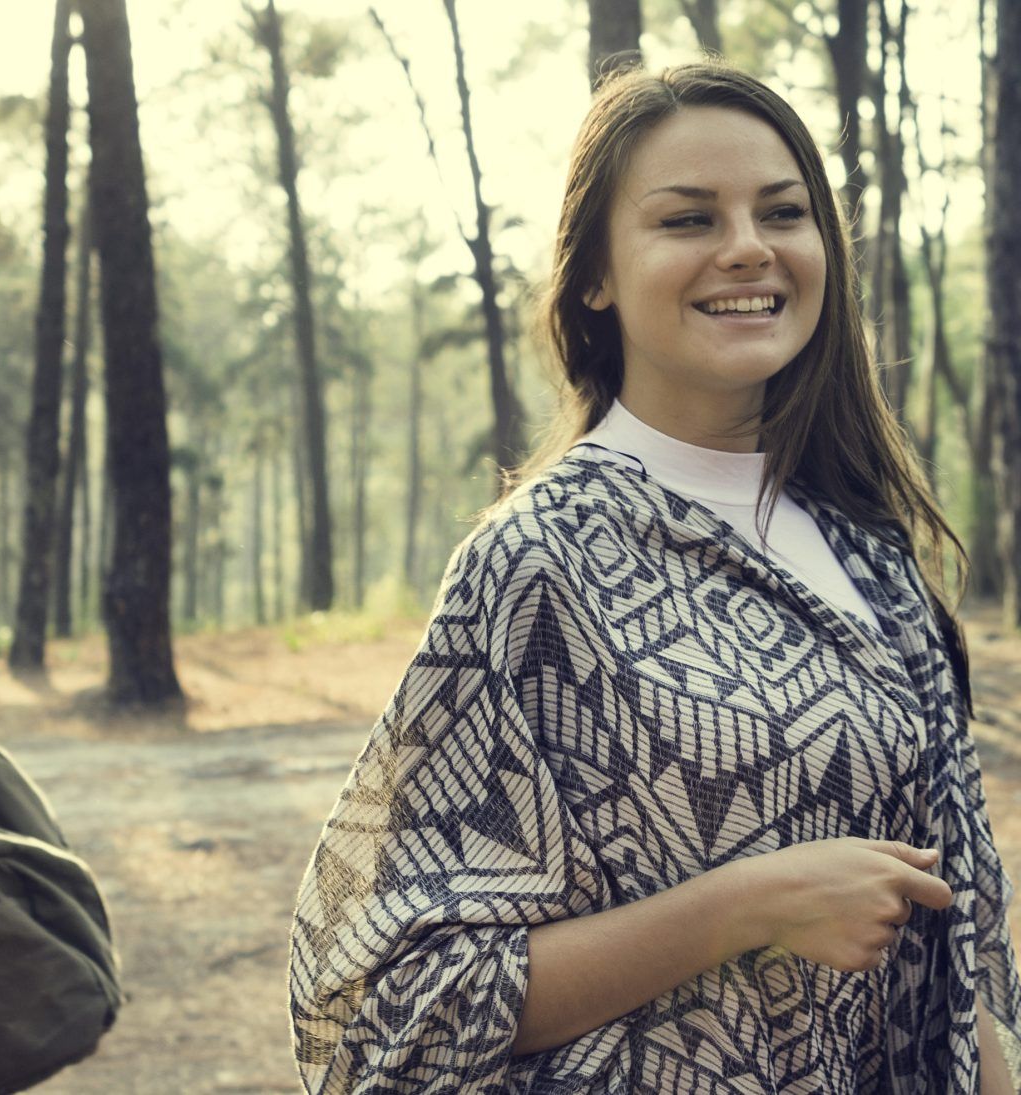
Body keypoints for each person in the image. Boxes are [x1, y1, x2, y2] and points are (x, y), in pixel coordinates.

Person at [288, 62, 1021, 1092]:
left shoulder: (870, 551)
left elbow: (949, 956)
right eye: (686, 220)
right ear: (593, 275)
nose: (746, 248)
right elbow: (395, 1011)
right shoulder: (539, 562)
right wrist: (743, 906)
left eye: (782, 211)